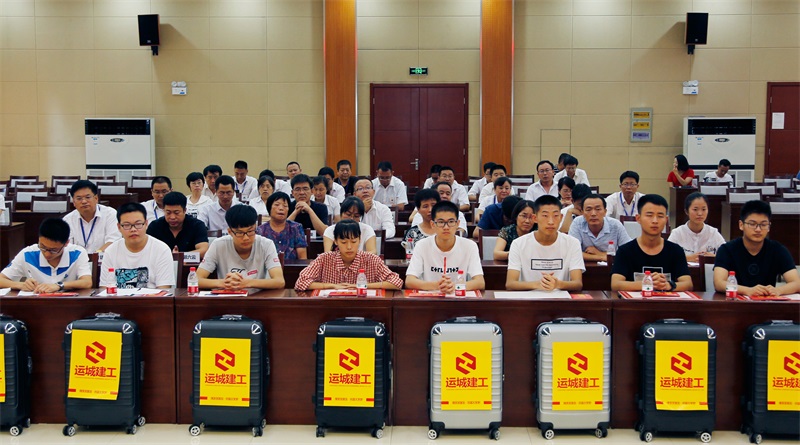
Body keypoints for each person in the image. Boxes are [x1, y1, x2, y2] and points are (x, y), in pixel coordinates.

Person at [713, 200, 799, 297]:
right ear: (741, 225)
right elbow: (719, 283)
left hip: (767, 302)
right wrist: (748, 290)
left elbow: (796, 283)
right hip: (735, 303)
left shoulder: (778, 250)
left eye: (763, 225)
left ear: (769, 227)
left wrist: (778, 290)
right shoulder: (726, 250)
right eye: (752, 224)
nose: (758, 229)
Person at [611, 194, 692, 292]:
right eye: (649, 215)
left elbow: (688, 284)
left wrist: (667, 285)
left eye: (660, 216)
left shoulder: (676, 250)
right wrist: (648, 283)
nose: (655, 221)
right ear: (638, 218)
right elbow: (615, 284)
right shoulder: (625, 251)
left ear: (666, 220)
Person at [295, 219, 403, 292]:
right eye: (343, 242)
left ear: (360, 240)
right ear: (335, 241)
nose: (349, 247)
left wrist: (362, 286)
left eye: (353, 241)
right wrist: (331, 286)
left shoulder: (371, 259)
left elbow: (396, 282)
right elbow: (300, 282)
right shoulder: (324, 258)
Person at [506, 195, 585, 291]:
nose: (551, 222)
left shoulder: (572, 243)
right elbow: (510, 283)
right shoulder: (518, 244)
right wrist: (539, 284)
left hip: (561, 297)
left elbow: (577, 283)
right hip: (529, 297)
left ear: (561, 217)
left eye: (555, 216)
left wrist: (558, 284)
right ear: (535, 218)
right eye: (545, 216)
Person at [197, 205, 285, 290]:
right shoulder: (218, 245)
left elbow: (279, 281)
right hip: (228, 296)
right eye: (240, 233)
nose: (246, 238)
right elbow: (196, 280)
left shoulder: (266, 244)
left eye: (250, 231)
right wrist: (224, 283)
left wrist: (246, 283)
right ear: (230, 232)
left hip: (257, 297)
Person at [406, 201, 485, 292]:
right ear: (433, 224)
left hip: (458, 297)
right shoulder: (422, 245)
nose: (446, 227)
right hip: (430, 297)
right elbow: (409, 281)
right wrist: (437, 285)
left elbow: (480, 282)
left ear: (457, 224)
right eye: (441, 222)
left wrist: (455, 286)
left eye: (451, 222)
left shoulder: (470, 246)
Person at [0, 218, 92, 292]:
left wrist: (59, 286)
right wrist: (21, 285)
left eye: (53, 250)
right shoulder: (27, 254)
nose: (47, 254)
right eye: (43, 247)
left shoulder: (77, 253)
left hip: (68, 304)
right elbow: (1, 280)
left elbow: (87, 282)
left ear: (66, 243)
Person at [99, 203, 175, 290]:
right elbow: (105, 290)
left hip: (152, 298)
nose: (133, 229)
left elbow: (163, 290)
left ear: (146, 224)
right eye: (127, 225)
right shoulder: (110, 251)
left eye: (138, 224)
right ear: (119, 227)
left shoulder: (161, 250)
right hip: (118, 298)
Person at [568, 193, 632, 261]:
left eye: (598, 209)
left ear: (605, 212)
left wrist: (599, 253)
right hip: (585, 266)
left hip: (611, 266)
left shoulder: (616, 225)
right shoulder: (577, 223)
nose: (593, 214)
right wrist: (602, 257)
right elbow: (571, 252)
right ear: (582, 212)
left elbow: (629, 252)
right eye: (588, 210)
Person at [63, 180, 121, 252]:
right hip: (77, 258)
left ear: (96, 198)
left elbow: (113, 241)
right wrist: (82, 257)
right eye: (79, 198)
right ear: (74, 202)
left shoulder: (110, 214)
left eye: (88, 197)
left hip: (103, 257)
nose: (84, 201)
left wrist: (96, 255)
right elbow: (67, 246)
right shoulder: (67, 220)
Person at [146, 192, 209, 256]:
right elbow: (146, 249)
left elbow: (203, 250)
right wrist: (169, 257)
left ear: (184, 210)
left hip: (189, 262)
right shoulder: (155, 226)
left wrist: (180, 256)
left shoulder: (197, 225)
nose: (172, 217)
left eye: (176, 213)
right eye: (168, 213)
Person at [668, 192, 725, 261]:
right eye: (695, 209)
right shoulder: (677, 233)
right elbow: (667, 257)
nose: (700, 213)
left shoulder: (713, 233)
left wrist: (713, 258)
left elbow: (727, 256)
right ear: (686, 211)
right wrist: (689, 258)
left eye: (703, 209)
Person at [255, 192, 307, 260]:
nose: (281, 208)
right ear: (269, 208)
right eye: (277, 205)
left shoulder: (296, 228)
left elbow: (302, 258)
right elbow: (257, 258)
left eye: (285, 206)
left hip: (292, 267)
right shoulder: (260, 230)